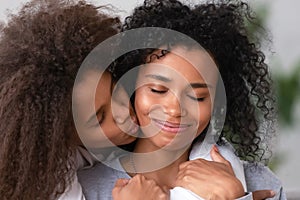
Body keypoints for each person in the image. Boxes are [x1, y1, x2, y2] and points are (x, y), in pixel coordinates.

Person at [78, 0, 286, 199]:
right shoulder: (86, 189)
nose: (175, 109)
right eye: (158, 90)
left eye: (198, 97)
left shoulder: (259, 184)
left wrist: (235, 197)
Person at [0, 0, 167, 199]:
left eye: (115, 91)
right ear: (64, 137)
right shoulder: (50, 176)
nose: (123, 113)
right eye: (100, 117)